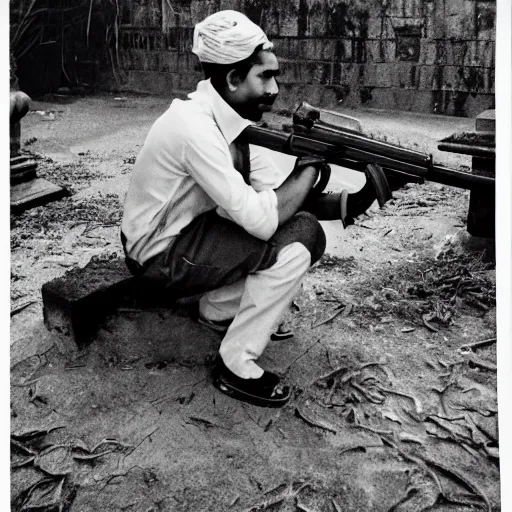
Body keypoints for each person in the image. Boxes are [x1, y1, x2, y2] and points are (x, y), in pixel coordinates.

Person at [121, 10, 388, 407]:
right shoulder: (195, 129)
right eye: (264, 77)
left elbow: (283, 200)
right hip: (157, 255)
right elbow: (266, 221)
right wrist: (311, 166)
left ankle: (217, 311)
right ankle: (235, 362)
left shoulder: (236, 125)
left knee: (301, 229)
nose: (275, 88)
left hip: (191, 234)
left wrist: (365, 194)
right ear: (231, 79)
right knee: (299, 242)